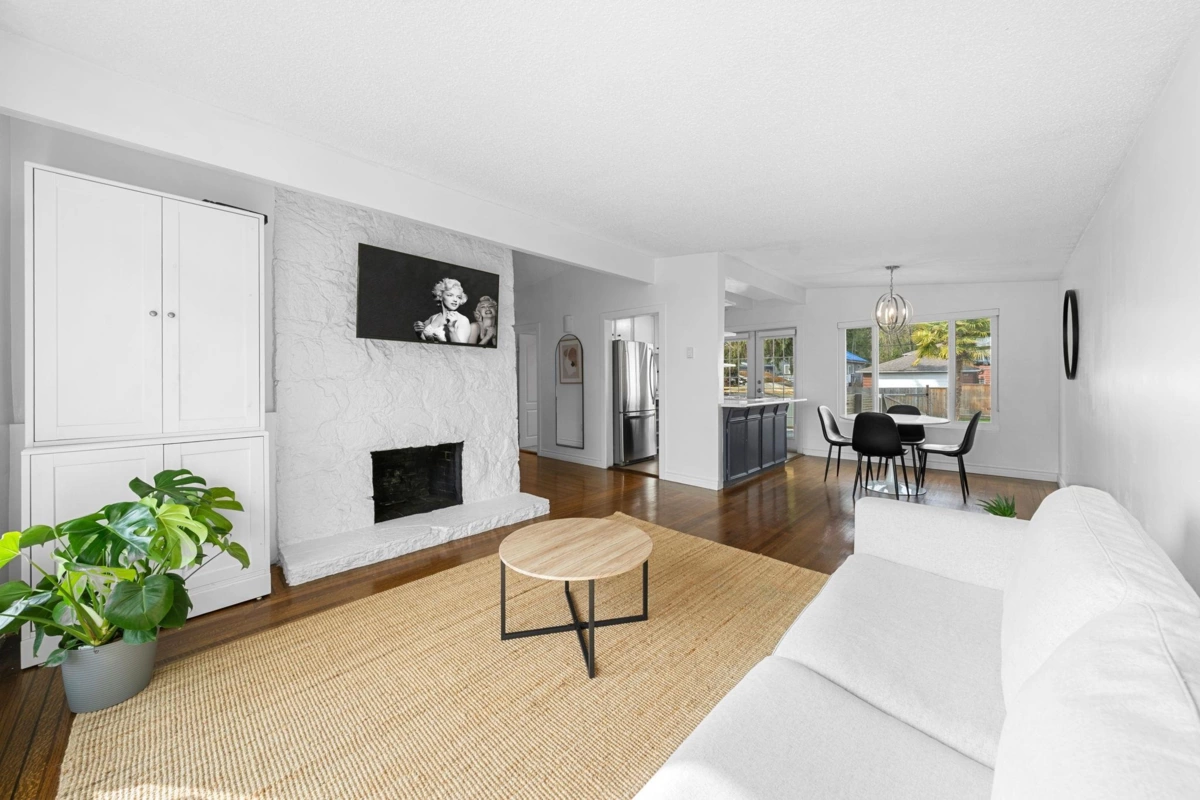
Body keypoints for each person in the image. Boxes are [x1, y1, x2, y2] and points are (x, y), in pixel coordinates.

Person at [414, 278, 471, 343]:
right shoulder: (433, 318)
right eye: (450, 295)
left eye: (459, 297)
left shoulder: (463, 320)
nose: (455, 300)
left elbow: (461, 350)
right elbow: (426, 345)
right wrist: (420, 334)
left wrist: (451, 329)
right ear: (440, 296)